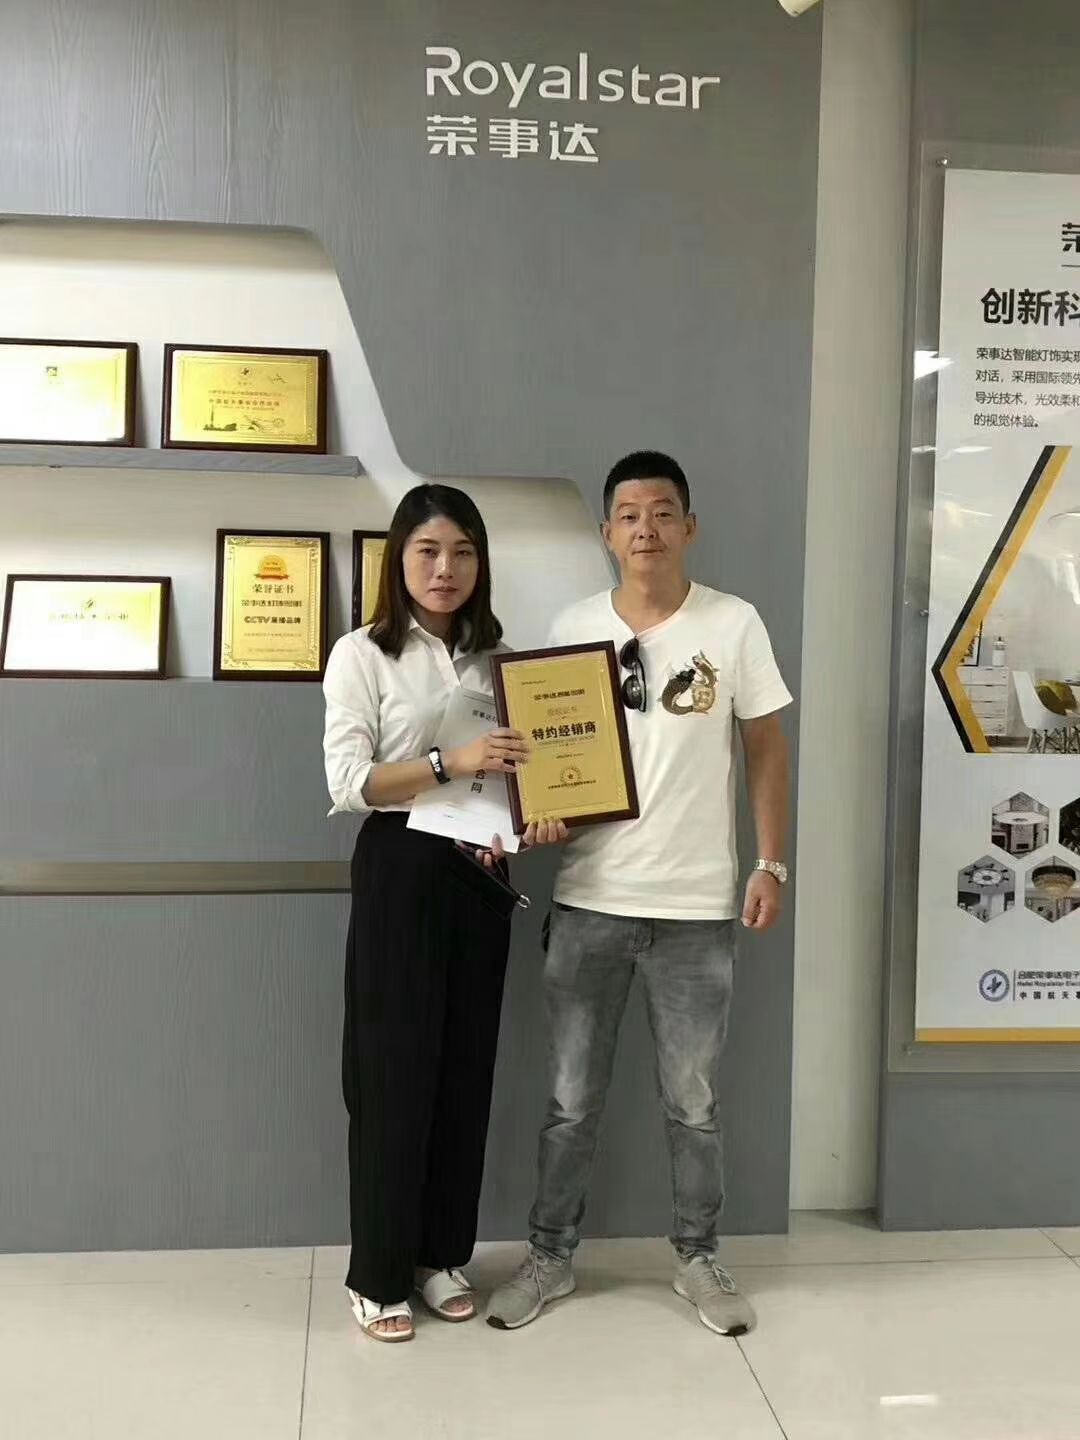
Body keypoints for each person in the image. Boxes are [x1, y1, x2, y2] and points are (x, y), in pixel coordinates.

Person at [486, 450, 792, 1339]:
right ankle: (550, 1255)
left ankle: (698, 1258)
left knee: (694, 1104)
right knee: (569, 1102)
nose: (645, 529)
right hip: (590, 899)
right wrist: (541, 812)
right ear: (607, 533)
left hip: (696, 910)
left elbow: (767, 750)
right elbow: (546, 752)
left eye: (662, 513)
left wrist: (771, 864)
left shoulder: (733, 624)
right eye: (628, 515)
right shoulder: (573, 627)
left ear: (688, 527)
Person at [323, 483, 547, 1344]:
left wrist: (526, 820)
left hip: (478, 869)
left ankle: (440, 1257)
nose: (445, 568)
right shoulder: (362, 654)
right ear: (399, 559)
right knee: (391, 1075)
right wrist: (450, 761)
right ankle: (377, 1275)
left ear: (480, 562)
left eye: (461, 551)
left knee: (463, 1070)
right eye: (427, 551)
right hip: (399, 866)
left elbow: (516, 779)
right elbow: (350, 784)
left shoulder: (503, 660)